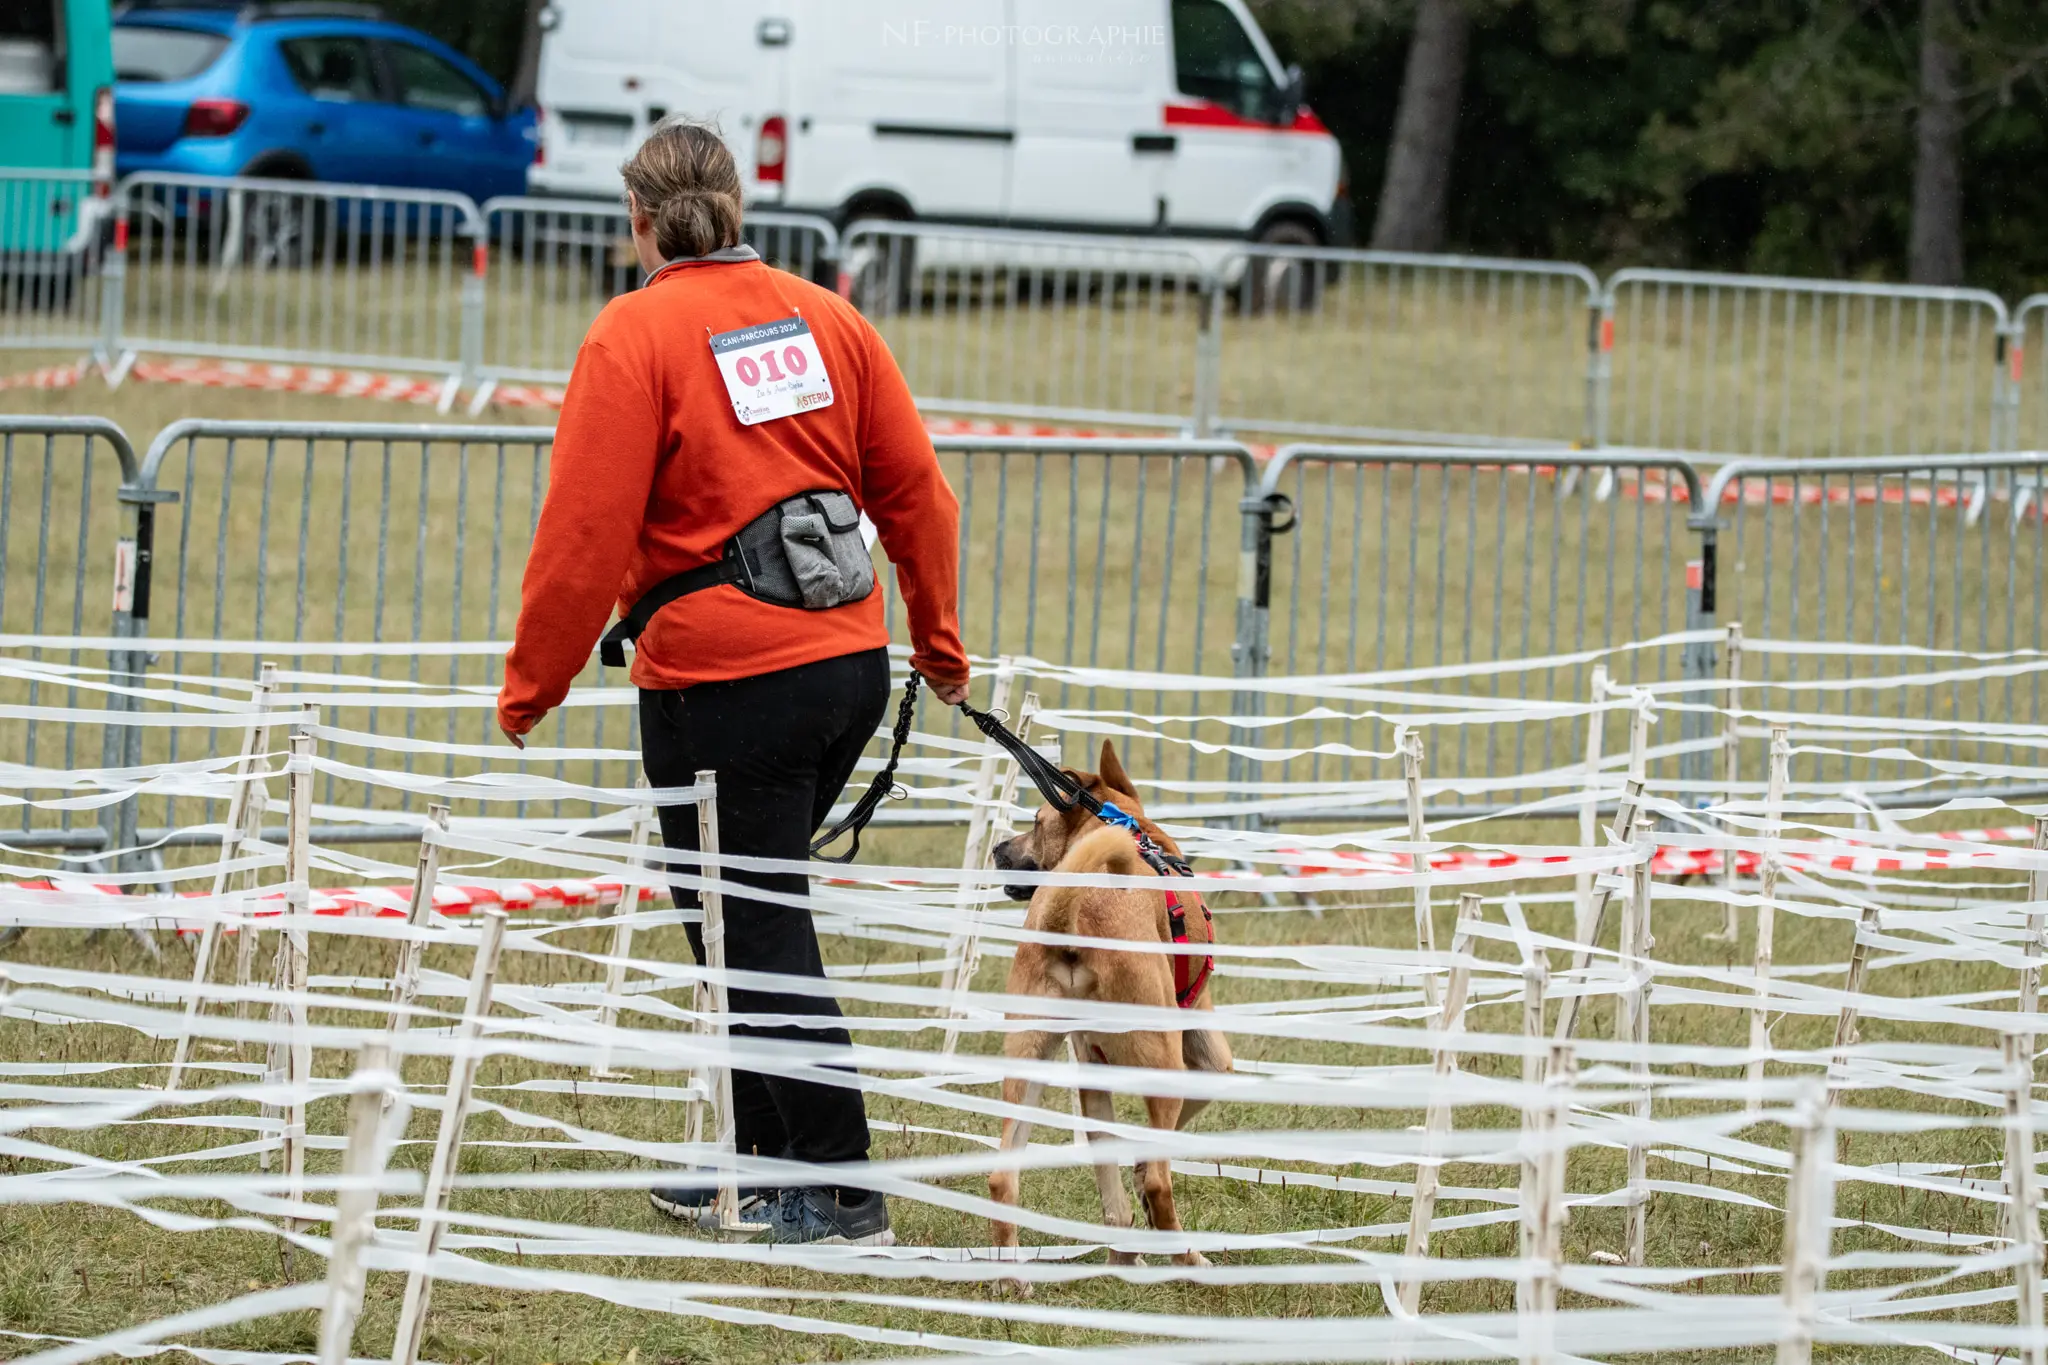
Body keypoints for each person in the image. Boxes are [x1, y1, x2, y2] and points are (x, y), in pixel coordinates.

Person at [495, 119, 969, 1248]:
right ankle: (756, 1157)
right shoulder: (831, 319)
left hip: (723, 680)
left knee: (749, 924)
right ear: (739, 210)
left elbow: (582, 531)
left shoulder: (634, 332)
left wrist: (532, 684)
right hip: (846, 665)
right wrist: (939, 646)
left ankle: (839, 1186)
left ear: (637, 221)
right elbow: (919, 497)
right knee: (737, 919)